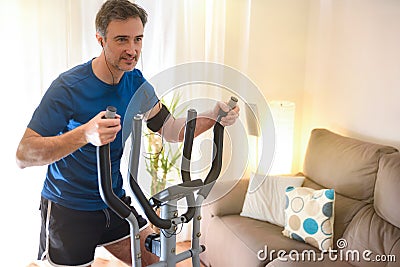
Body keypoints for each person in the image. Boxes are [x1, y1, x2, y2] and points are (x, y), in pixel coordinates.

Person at [16, 0, 239, 266]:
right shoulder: (68, 87)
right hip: (69, 208)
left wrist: (214, 116)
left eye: (138, 39)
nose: (132, 50)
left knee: (153, 260)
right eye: (122, 39)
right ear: (101, 39)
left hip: (113, 202)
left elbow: (172, 130)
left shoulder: (136, 84)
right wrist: (84, 134)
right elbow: (23, 154)